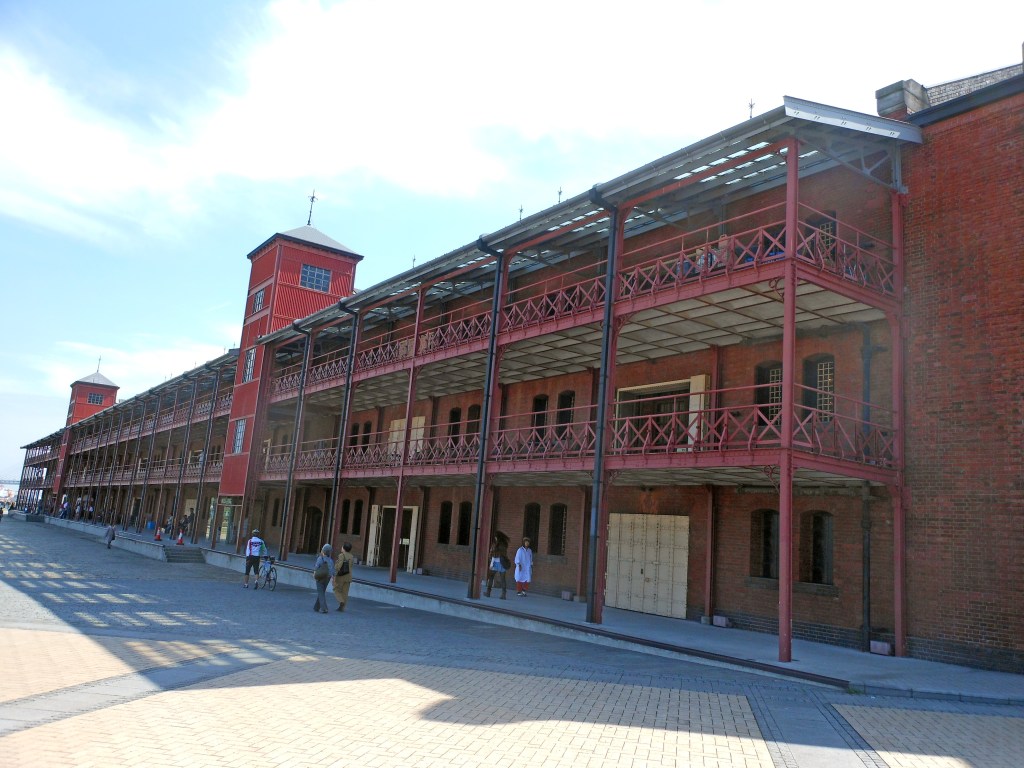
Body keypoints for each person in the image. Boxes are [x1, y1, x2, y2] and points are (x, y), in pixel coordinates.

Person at [485, 531, 510, 599]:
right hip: (502, 563)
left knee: (491, 577)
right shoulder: (504, 544)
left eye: (495, 537)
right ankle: (503, 594)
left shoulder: (495, 544)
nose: (495, 538)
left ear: (497, 537)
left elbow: (492, 554)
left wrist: (491, 562)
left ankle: (488, 592)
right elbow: (505, 554)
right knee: (503, 579)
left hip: (495, 563)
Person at [332, 542, 355, 612]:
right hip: (348, 577)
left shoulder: (341, 555)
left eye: (342, 547)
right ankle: (342, 608)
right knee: (345, 592)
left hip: (341, 576)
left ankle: (341, 601)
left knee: (336, 589)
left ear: (344, 548)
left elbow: (339, 566)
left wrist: (334, 573)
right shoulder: (352, 556)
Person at [313, 544, 335, 613]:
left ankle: (324, 608)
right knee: (322, 591)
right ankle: (316, 607)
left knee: (321, 592)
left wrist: (314, 575)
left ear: (323, 551)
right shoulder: (331, 561)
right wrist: (333, 579)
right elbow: (332, 571)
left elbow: (316, 567)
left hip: (320, 577)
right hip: (327, 578)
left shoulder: (320, 558)